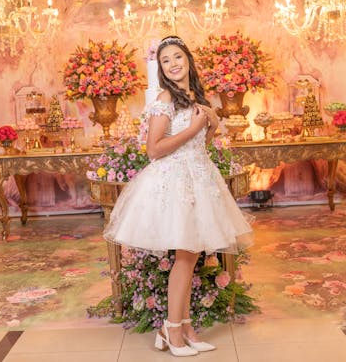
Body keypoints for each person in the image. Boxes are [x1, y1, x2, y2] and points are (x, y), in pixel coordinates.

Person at [103, 35, 253, 357]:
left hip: (199, 178)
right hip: (175, 183)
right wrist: (195, 126)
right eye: (165, 60)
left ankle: (182, 327)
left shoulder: (195, 96)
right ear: (161, 68)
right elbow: (154, 150)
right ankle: (172, 330)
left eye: (177, 57)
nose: (172, 64)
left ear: (188, 60)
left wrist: (209, 126)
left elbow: (202, 145)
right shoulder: (164, 99)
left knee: (191, 256)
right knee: (184, 259)